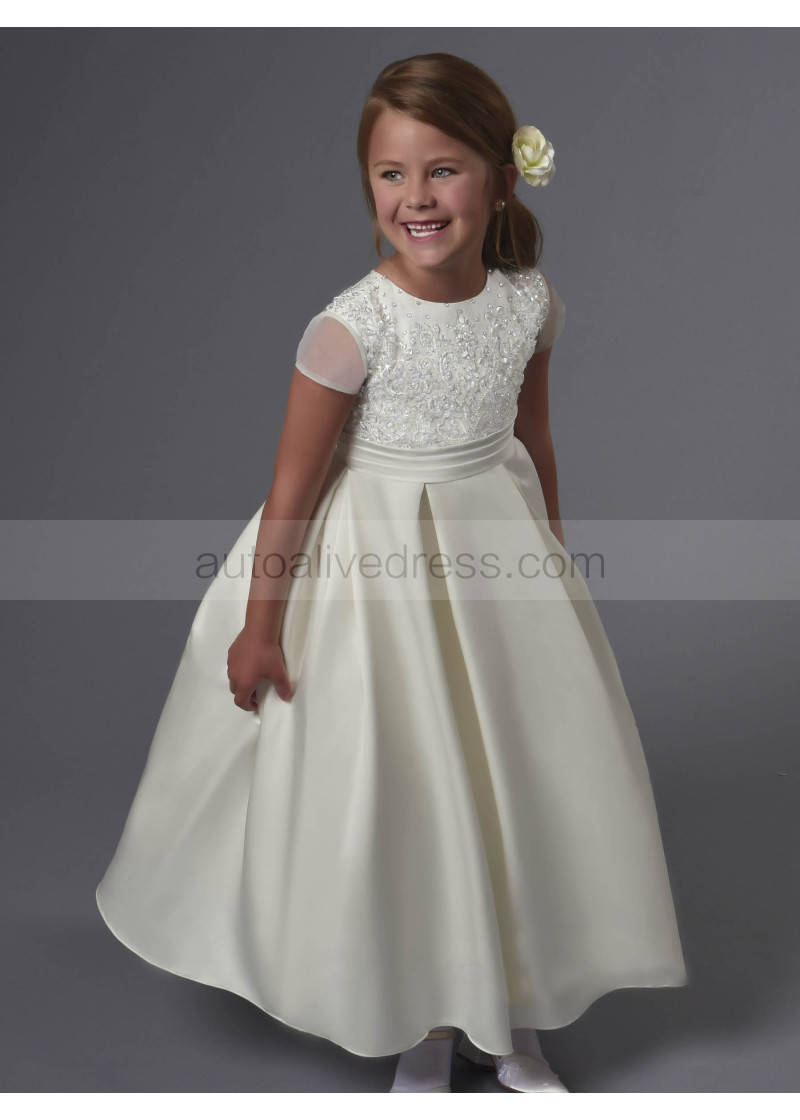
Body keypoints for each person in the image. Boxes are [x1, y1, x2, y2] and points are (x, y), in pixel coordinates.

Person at [95, 52, 689, 1094]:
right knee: (409, 783)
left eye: (442, 170)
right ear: (367, 184)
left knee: (512, 777)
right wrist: (259, 627)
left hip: (493, 565)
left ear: (500, 177)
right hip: (373, 580)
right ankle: (424, 1021)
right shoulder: (351, 327)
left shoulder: (528, 305)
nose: (416, 197)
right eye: (390, 174)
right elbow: (291, 489)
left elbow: (534, 439)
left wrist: (550, 556)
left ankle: (508, 1015)